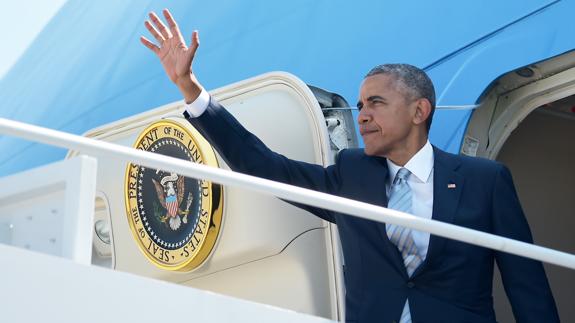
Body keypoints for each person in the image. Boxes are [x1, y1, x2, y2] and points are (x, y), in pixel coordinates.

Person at [140, 9, 559, 323]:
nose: (361, 115)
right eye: (359, 105)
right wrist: (191, 90)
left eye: (376, 103)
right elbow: (264, 167)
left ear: (419, 111)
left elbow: (526, 285)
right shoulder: (352, 174)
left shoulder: (485, 181)